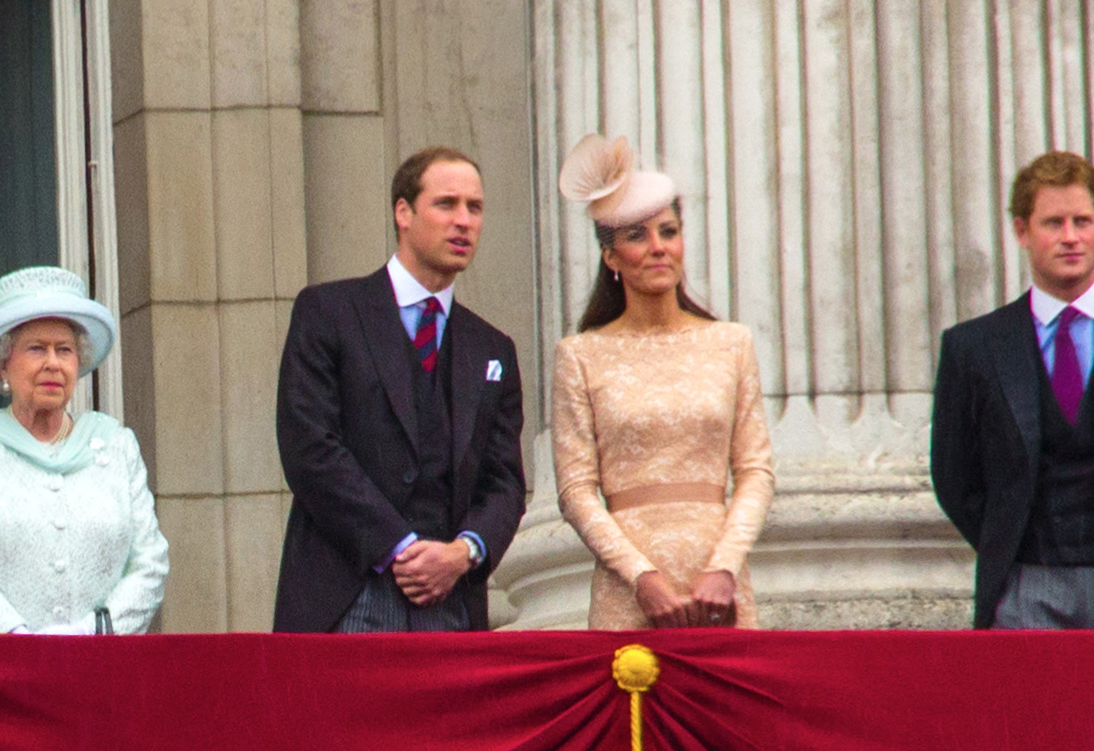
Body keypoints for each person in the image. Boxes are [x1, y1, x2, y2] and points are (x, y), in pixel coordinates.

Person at [274, 146, 527, 632]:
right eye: (446, 204)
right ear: (403, 212)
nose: (463, 221)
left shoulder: (493, 348)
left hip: (451, 602)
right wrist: (401, 548)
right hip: (347, 595)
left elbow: (505, 482)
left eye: (474, 208)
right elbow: (311, 448)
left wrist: (461, 553)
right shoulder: (328, 313)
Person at [931, 150, 1094, 629]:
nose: (1070, 237)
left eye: (1082, 221)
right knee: (1027, 707)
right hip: (1024, 582)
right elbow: (955, 476)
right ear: (1022, 231)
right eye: (1052, 223)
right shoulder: (972, 348)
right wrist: (1008, 542)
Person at [552, 134, 775, 630]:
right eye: (636, 236)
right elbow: (575, 490)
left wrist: (723, 567)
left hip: (718, 581)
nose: (657, 248)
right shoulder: (580, 354)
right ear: (611, 258)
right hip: (627, 587)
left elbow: (756, 471)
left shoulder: (731, 343)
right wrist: (641, 576)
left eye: (668, 232)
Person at [0, 266, 167, 633]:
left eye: (64, 350)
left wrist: (89, 633)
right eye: (37, 349)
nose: (53, 362)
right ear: (4, 362)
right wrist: (18, 639)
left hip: (98, 668)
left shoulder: (117, 444)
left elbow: (150, 563)